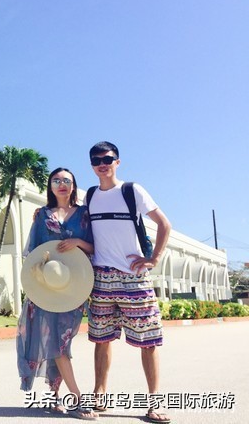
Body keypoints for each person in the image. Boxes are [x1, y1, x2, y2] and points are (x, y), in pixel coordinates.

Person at [86, 141, 172, 424]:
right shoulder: (90, 196)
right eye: (96, 159)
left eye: (108, 158)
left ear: (117, 162)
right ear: (92, 164)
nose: (102, 163)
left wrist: (154, 258)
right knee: (102, 340)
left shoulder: (132, 191)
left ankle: (154, 403)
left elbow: (164, 224)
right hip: (102, 277)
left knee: (148, 341)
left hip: (134, 277)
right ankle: (99, 395)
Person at [16, 167, 98, 420]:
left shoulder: (86, 214)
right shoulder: (42, 215)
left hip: (73, 288)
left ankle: (54, 395)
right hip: (45, 289)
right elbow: (34, 251)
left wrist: (79, 243)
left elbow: (96, 247)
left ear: (74, 186)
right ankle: (76, 398)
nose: (62, 184)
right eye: (56, 181)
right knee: (56, 344)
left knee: (61, 341)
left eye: (67, 180)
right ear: (50, 186)